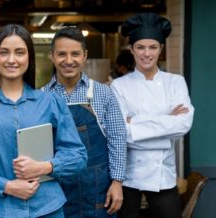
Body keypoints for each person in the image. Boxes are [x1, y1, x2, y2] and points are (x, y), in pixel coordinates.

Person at [0, 24, 88, 218]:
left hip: (47, 208)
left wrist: (45, 167)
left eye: (20, 52)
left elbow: (77, 156)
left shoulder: (50, 102)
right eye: (4, 52)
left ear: (29, 58)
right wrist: (6, 186)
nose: (12, 60)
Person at [111, 13, 194, 218]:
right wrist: (167, 125)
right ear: (131, 49)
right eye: (140, 47)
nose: (146, 53)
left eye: (153, 47)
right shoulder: (119, 86)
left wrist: (135, 123)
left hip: (163, 177)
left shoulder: (175, 82)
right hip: (129, 179)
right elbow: (121, 133)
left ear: (161, 49)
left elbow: (183, 125)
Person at [42, 26, 127, 218]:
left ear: (85, 55)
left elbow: (117, 138)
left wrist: (117, 182)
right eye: (62, 54)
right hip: (57, 188)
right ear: (52, 56)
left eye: (75, 54)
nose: (69, 60)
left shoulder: (103, 93)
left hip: (98, 188)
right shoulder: (41, 97)